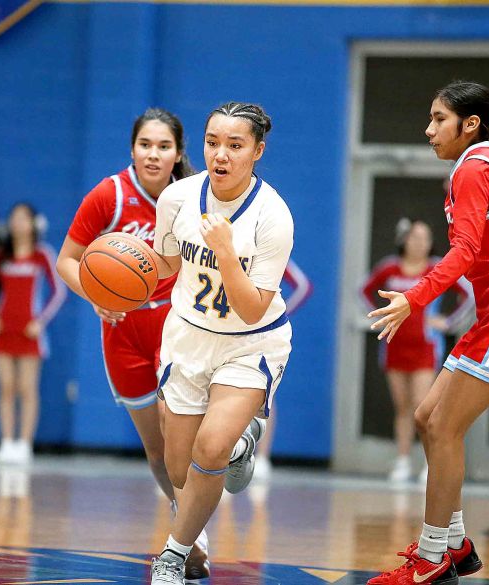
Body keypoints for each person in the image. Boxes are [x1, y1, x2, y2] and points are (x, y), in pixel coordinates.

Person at [366, 81, 489, 584]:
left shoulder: (474, 167)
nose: (428, 130)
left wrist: (414, 297)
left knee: (444, 428)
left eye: (438, 119)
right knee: (428, 417)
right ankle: (455, 545)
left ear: (469, 124)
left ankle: (432, 559)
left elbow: (466, 251)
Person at [55, 108, 211, 579]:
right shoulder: (109, 194)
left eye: (164, 146)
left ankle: (190, 535)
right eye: (146, 144)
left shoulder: (192, 198)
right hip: (122, 331)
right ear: (132, 148)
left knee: (175, 425)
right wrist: (95, 295)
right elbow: (67, 260)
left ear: (178, 152)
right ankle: (182, 513)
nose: (154, 154)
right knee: (156, 449)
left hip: (175, 326)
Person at [148, 101, 293, 585]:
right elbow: (166, 265)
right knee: (178, 463)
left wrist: (226, 251)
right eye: (213, 143)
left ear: (257, 151)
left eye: (235, 145)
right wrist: (121, 271)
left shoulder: (273, 216)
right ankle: (199, 531)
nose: (221, 155)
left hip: (250, 342)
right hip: (189, 337)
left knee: (209, 448)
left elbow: (253, 307)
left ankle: (171, 554)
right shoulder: (176, 198)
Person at [361, 219, 473, 484]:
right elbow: (363, 290)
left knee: (423, 407)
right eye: (414, 237)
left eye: (424, 237)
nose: (419, 242)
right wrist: (376, 318)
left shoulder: (436, 268)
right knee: (402, 407)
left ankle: (428, 464)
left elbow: (468, 295)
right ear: (404, 240)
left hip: (425, 348)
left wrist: (447, 322)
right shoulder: (389, 267)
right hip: (394, 346)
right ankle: (401, 460)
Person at [0, 203, 65, 463]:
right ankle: (6, 443)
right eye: (14, 218)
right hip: (4, 330)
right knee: (7, 388)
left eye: (23, 219)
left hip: (30, 332)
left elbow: (58, 292)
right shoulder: (0, 255)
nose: (18, 223)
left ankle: (25, 444)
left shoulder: (43, 255)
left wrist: (40, 322)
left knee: (27, 388)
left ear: (34, 223)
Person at [253, 258, 312, 480]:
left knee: (265, 391)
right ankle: (226, 455)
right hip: (228, 325)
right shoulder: (228, 243)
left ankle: (262, 457)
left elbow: (303, 285)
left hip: (262, 331)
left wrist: (279, 313)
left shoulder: (272, 248)